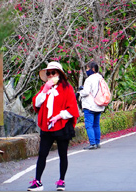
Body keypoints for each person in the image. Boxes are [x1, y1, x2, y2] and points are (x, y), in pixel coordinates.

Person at [28, 62, 79, 192]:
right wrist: (44, 90)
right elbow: (37, 104)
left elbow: (72, 108)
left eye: (53, 72)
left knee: (63, 154)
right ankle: (38, 181)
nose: (50, 75)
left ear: (59, 74)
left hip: (62, 125)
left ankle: (61, 180)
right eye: (48, 73)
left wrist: (59, 116)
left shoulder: (67, 88)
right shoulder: (44, 88)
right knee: (42, 154)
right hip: (47, 126)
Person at [78, 61, 108, 150]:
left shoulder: (89, 79)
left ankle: (92, 143)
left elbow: (86, 92)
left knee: (89, 125)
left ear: (93, 69)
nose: (87, 70)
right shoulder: (100, 78)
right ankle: (97, 142)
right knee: (96, 124)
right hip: (99, 105)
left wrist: (80, 92)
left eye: (87, 68)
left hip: (90, 105)